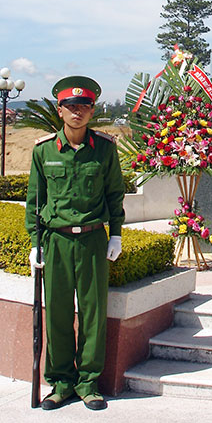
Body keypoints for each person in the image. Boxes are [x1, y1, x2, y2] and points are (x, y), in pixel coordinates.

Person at [25, 76, 125, 411]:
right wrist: (35, 241)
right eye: (70, 106)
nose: (77, 112)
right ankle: (61, 382)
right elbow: (34, 201)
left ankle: (88, 383)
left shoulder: (105, 150)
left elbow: (114, 195)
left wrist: (117, 233)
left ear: (92, 110)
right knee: (57, 312)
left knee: (93, 313)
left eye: (83, 106)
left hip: (93, 241)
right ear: (60, 110)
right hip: (56, 241)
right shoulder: (43, 151)